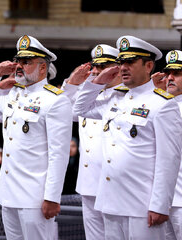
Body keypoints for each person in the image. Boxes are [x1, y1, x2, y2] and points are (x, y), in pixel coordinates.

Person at [74, 35, 182, 239]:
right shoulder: (116, 100)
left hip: (142, 205)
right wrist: (97, 82)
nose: (123, 67)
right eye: (121, 62)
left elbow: (168, 160)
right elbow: (80, 108)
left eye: (130, 62)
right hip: (111, 202)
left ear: (148, 65)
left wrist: (160, 205)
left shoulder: (162, 104)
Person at [0, 35, 72, 240]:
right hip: (9, 193)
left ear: (43, 68)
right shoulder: (13, 95)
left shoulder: (55, 101)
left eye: (26, 62)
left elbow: (59, 154)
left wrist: (52, 197)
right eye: (18, 61)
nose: (19, 66)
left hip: (35, 197)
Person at [69, 44, 121, 239]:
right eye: (96, 67)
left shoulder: (125, 95)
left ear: (117, 67)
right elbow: (65, 111)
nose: (98, 72)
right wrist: (73, 84)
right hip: (88, 181)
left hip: (114, 183)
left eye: (104, 66)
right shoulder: (87, 96)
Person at [163, 50, 182, 240]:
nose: (169, 78)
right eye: (168, 73)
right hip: (160, 199)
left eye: (176, 73)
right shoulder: (159, 105)